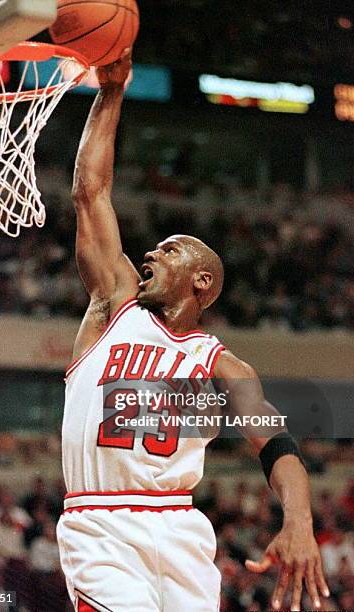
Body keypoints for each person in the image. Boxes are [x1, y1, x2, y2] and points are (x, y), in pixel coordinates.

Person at [56, 51, 330, 612]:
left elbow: (275, 444)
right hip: (102, 529)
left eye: (171, 249)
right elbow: (91, 192)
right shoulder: (116, 306)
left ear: (202, 281)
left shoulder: (224, 367)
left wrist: (299, 521)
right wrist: (110, 93)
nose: (153, 250)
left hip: (182, 532)